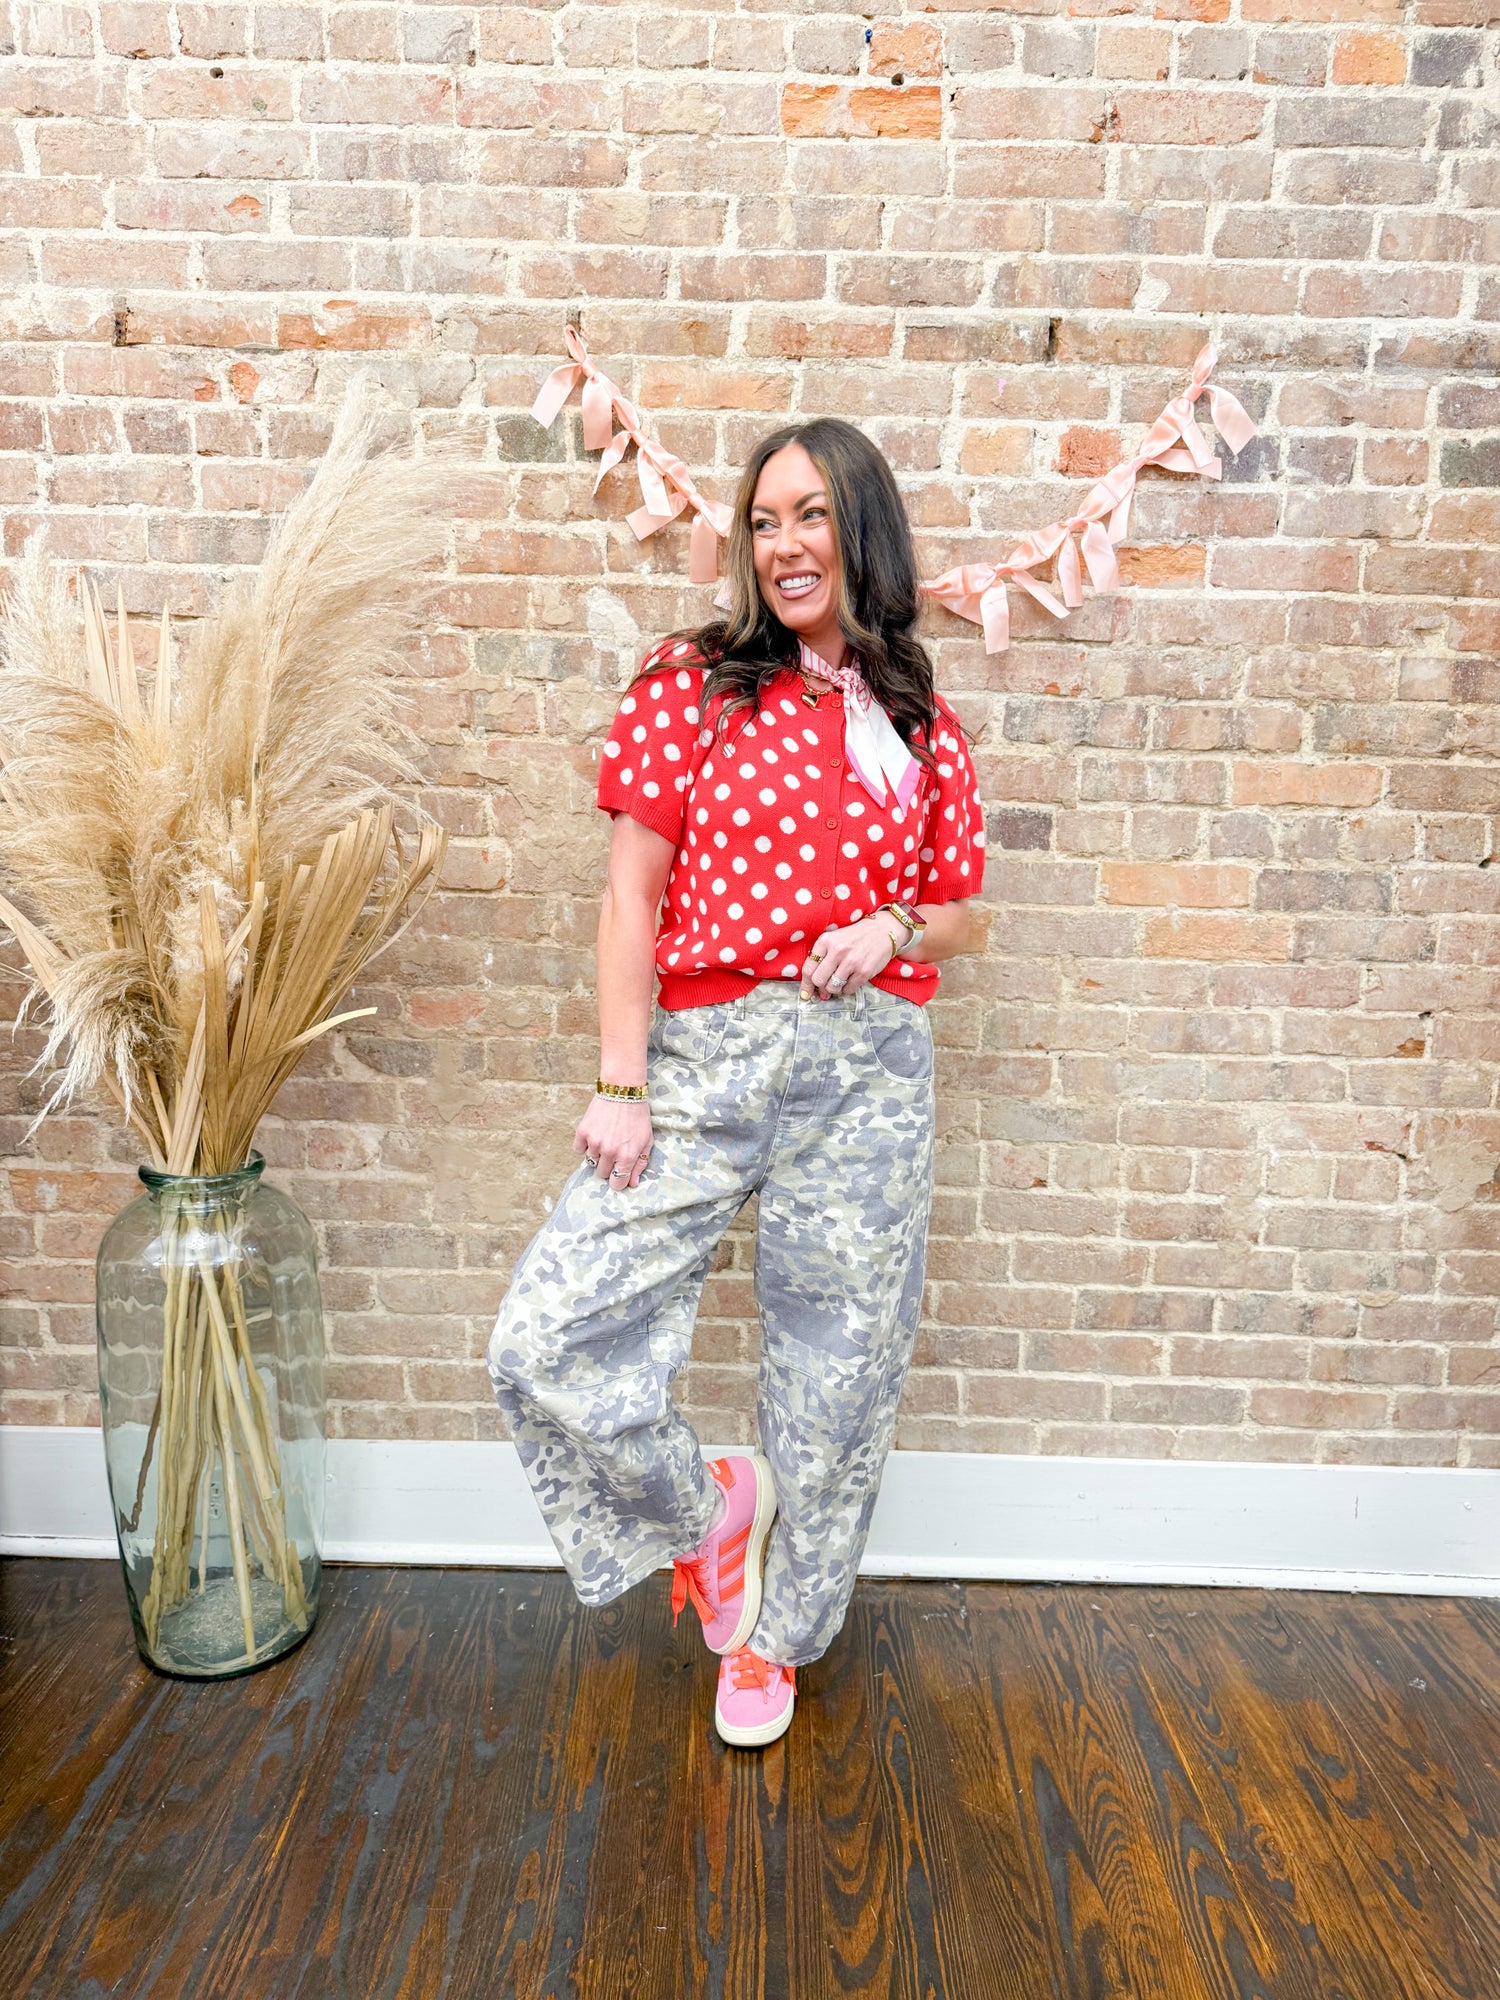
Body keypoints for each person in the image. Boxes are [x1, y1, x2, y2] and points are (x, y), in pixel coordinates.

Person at [487, 417, 984, 1749]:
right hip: (704, 1059)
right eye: (764, 521)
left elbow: (962, 911)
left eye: (811, 515)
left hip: (866, 1071)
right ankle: (709, 1516)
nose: (783, 545)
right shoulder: (692, 683)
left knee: (839, 1380)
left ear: (861, 532)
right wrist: (623, 1084)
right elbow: (629, 897)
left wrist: (893, 928)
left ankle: (776, 1638)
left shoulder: (915, 718)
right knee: (544, 1339)